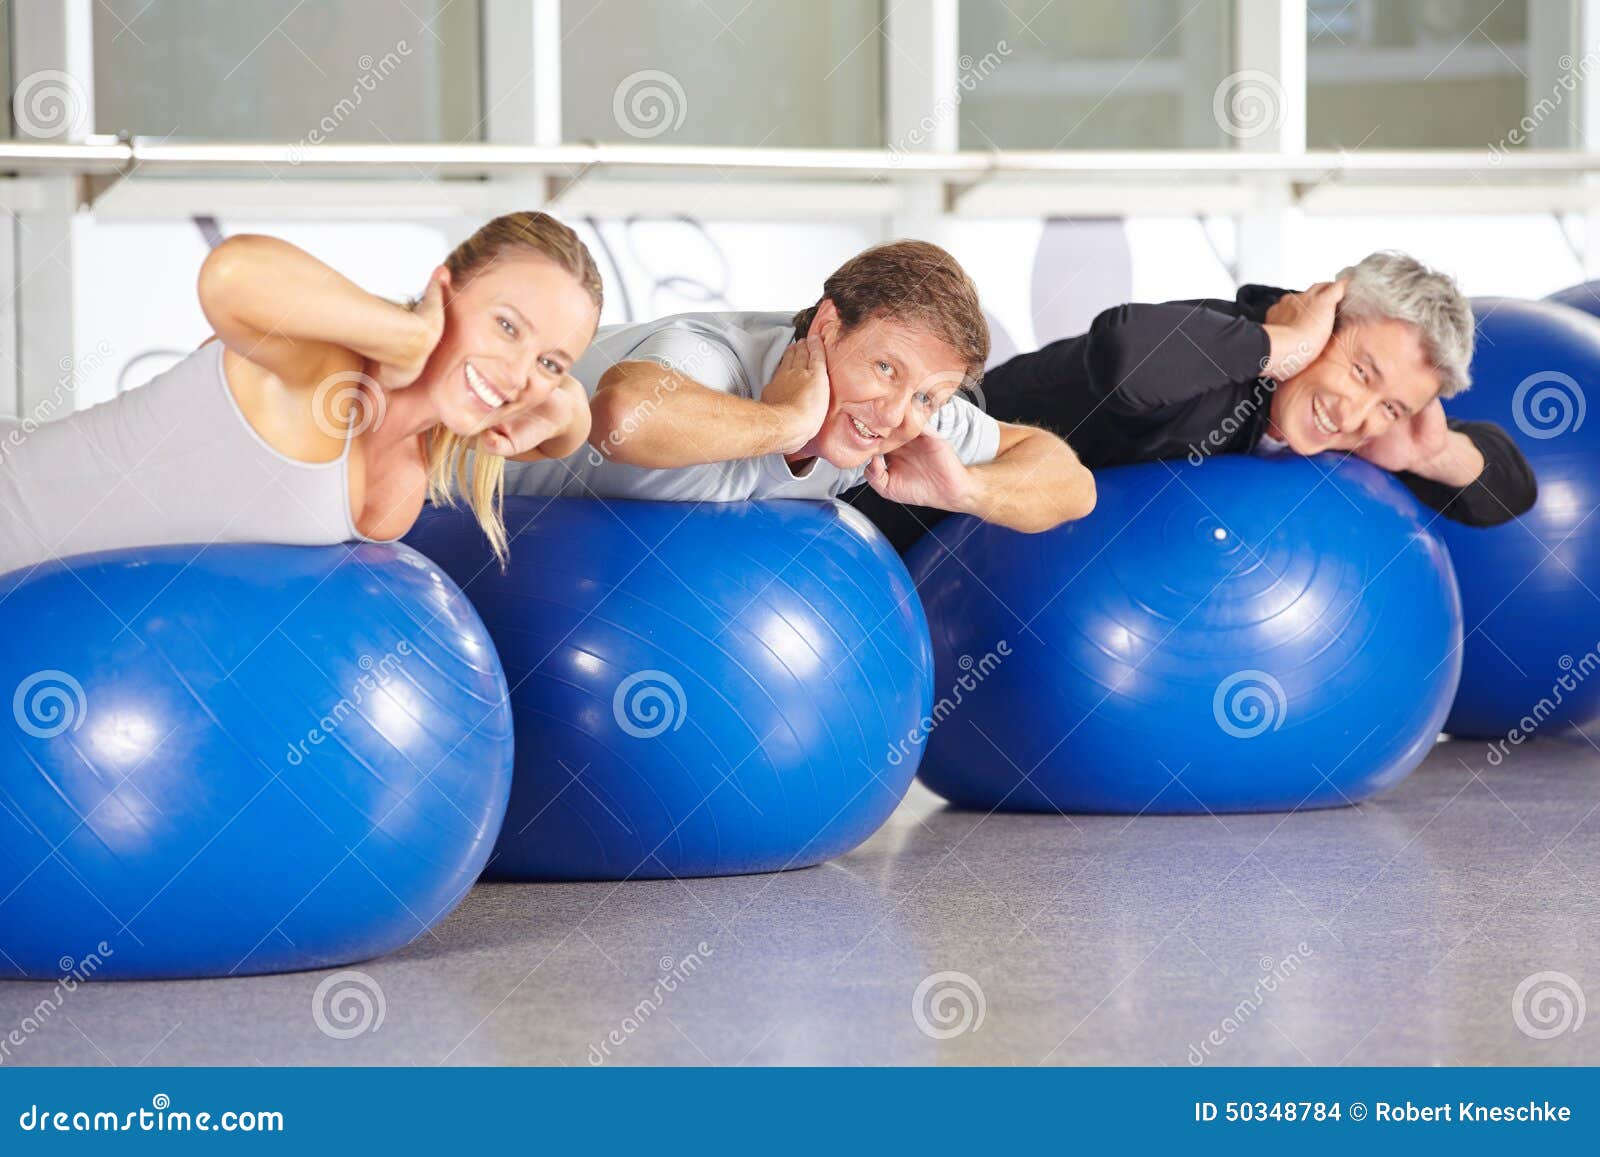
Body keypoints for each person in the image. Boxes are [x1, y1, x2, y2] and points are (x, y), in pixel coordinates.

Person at [0, 211, 601, 577]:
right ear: (443, 288)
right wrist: (409, 334)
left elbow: (569, 429)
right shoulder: (325, 372)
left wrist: (562, 399)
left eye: (550, 360)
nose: (517, 373)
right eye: (506, 325)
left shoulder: (438, 433)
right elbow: (230, 274)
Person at [846, 250, 1538, 551]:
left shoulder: (1357, 427)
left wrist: (1434, 449)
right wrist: (1279, 343)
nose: (1355, 416)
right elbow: (1122, 359)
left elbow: (1513, 494)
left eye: (1389, 406)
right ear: (1326, 319)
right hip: (890, 502)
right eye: (1361, 371)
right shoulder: (1224, 349)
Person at [500, 240, 1096, 535]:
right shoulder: (709, 354)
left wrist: (965, 489)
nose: (894, 415)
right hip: (451, 500)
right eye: (885, 368)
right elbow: (620, 417)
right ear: (829, 327)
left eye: (928, 397)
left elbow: (1070, 484)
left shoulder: (903, 415)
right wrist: (789, 423)